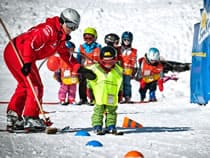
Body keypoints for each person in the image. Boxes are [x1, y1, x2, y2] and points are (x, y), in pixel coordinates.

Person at [3, 8, 80, 132]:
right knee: (36, 86)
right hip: (19, 52)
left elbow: (66, 55)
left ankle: (13, 115)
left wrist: (79, 69)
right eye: (70, 25)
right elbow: (30, 42)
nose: (71, 29)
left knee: (25, 85)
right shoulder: (49, 30)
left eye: (75, 27)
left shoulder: (60, 37)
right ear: (62, 21)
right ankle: (31, 117)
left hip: (15, 52)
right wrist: (27, 62)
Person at [81, 46, 123, 134]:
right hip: (99, 95)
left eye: (111, 61)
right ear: (101, 59)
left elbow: (120, 82)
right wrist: (89, 92)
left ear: (115, 59)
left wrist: (120, 92)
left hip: (111, 95)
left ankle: (110, 126)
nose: (108, 64)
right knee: (98, 111)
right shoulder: (94, 69)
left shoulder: (118, 70)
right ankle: (97, 125)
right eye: (105, 61)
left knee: (111, 111)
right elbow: (89, 82)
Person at [76, 27, 102, 105]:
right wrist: (77, 67)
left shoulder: (98, 47)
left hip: (94, 69)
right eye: (85, 38)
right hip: (84, 68)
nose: (88, 40)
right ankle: (83, 98)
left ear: (95, 38)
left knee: (93, 84)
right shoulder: (82, 47)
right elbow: (78, 58)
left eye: (90, 37)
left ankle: (93, 98)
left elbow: (101, 58)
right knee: (82, 83)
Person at [53, 41, 78, 105]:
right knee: (63, 89)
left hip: (72, 77)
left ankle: (71, 99)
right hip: (64, 77)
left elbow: (77, 66)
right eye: (70, 49)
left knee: (72, 89)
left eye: (72, 49)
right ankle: (62, 99)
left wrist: (78, 74)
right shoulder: (61, 59)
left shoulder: (74, 59)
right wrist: (57, 73)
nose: (71, 51)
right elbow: (58, 66)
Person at [118, 31, 137, 103]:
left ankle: (127, 97)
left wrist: (134, 71)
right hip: (119, 70)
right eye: (125, 40)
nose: (126, 41)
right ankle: (119, 97)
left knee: (127, 84)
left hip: (128, 71)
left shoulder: (133, 51)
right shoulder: (118, 49)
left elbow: (134, 62)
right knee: (119, 84)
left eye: (128, 40)